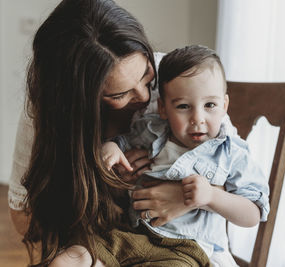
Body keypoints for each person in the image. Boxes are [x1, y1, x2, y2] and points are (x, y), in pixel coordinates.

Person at [7, 0, 213, 266]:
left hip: (184, 244)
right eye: (120, 93)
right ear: (79, 100)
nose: (144, 95)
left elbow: (235, 170)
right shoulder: (50, 113)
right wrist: (105, 186)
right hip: (107, 243)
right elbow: (24, 218)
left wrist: (186, 197)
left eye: (146, 75)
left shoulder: (180, 81)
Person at [101, 45, 270, 266]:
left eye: (210, 105)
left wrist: (211, 196)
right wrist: (111, 147)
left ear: (224, 105)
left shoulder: (231, 153)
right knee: (72, 257)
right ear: (162, 108)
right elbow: (123, 142)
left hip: (187, 248)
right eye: (183, 106)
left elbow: (253, 213)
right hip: (135, 235)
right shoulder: (153, 130)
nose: (197, 118)